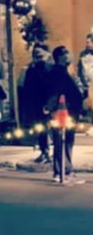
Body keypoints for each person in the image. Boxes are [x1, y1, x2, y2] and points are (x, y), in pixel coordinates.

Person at [46, 46, 86, 184]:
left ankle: (63, 170)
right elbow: (56, 92)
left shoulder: (63, 72)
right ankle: (63, 171)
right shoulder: (58, 73)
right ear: (60, 57)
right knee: (63, 142)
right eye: (65, 53)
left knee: (64, 142)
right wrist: (50, 107)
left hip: (67, 112)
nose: (68, 55)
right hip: (63, 113)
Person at [19, 45, 53, 163]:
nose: (39, 59)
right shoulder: (32, 70)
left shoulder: (49, 69)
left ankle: (47, 151)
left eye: (40, 56)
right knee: (41, 128)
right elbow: (26, 88)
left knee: (45, 127)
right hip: (38, 104)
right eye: (36, 56)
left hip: (47, 103)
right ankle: (45, 151)